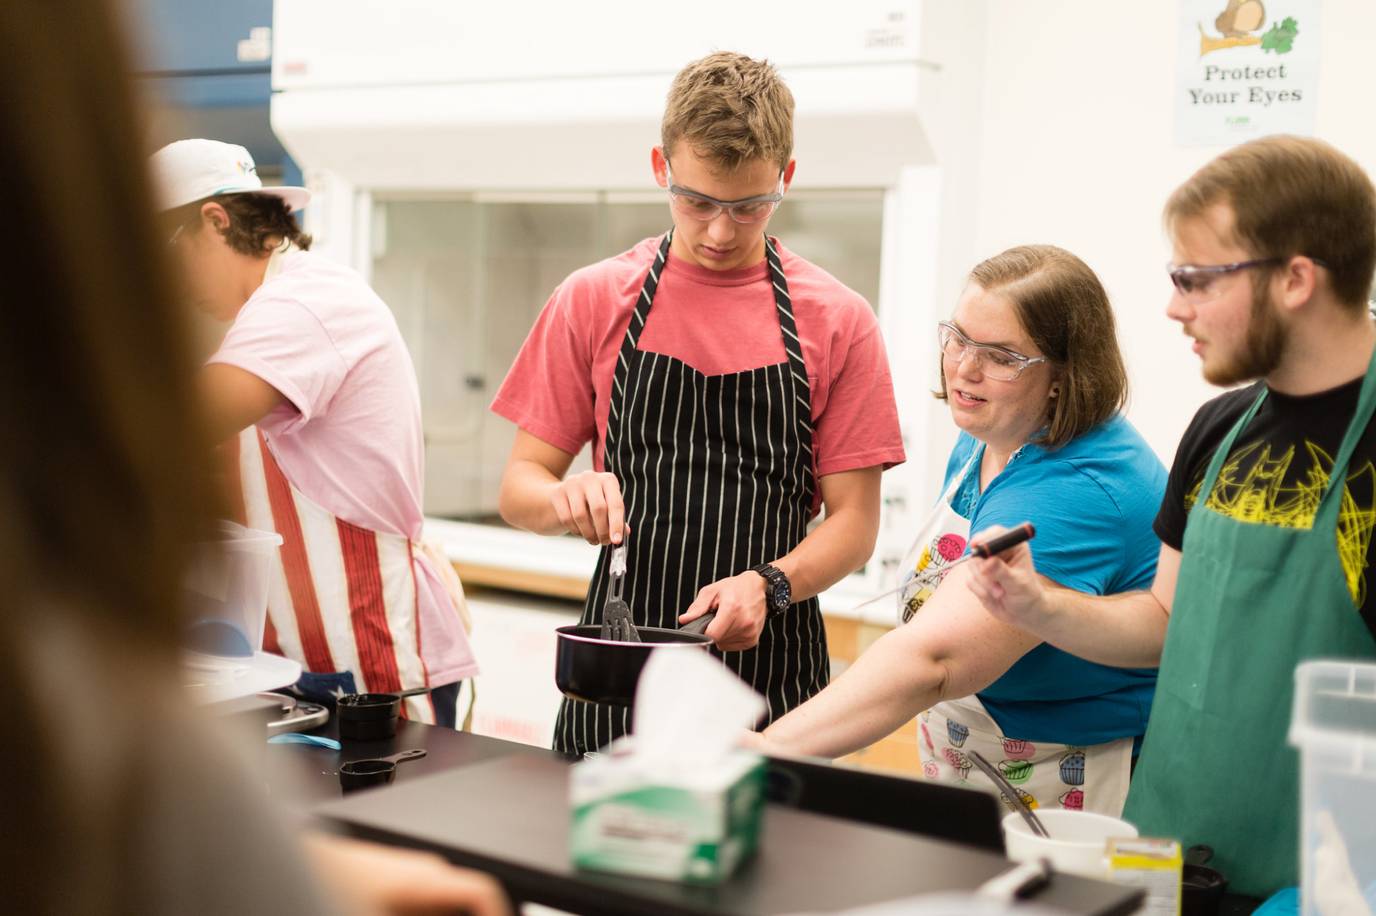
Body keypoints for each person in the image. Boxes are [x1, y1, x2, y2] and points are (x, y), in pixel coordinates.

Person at [966, 136, 1376, 897]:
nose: (1173, 306)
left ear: (1295, 279)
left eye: (1196, 278)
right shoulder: (1221, 430)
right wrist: (1040, 606)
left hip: (1322, 881)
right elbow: (1163, 624)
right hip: (1167, 857)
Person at [492, 51, 906, 756]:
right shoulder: (594, 299)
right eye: (698, 201)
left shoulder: (838, 319)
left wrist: (770, 585)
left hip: (771, 688)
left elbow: (856, 525)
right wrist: (566, 498)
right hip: (616, 681)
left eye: (750, 207)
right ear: (661, 166)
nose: (720, 231)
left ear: (787, 178)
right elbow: (518, 491)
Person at [751, 246, 1166, 817]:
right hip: (978, 750)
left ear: (1063, 376)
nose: (964, 368)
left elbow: (936, 659)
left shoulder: (1077, 491)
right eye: (958, 338)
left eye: (1000, 356)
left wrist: (766, 749)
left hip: (1071, 771)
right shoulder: (991, 430)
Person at [150, 139, 477, 726]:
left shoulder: (304, 303)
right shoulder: (263, 316)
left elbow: (166, 429)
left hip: (369, 673)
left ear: (215, 220)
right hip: (301, 670)